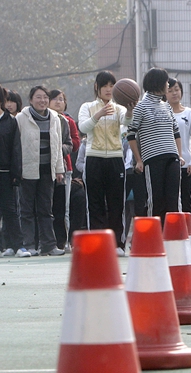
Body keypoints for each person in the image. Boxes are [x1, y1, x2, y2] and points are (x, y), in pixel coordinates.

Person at [78, 71, 133, 257]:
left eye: (112, 86)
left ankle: (118, 243)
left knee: (117, 202)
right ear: (97, 87)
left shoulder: (119, 108)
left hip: (116, 159)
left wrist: (130, 110)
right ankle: (98, 242)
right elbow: (82, 127)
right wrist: (99, 114)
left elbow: (127, 123)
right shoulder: (87, 107)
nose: (109, 89)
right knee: (95, 203)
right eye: (105, 86)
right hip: (94, 158)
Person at [127, 67, 184, 224]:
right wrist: (139, 160)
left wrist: (179, 155)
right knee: (156, 200)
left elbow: (176, 132)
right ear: (158, 83)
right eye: (166, 82)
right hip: (152, 159)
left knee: (173, 201)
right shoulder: (141, 107)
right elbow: (131, 134)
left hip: (172, 158)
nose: (168, 85)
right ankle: (155, 238)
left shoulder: (166, 107)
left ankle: (172, 240)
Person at [0, 83, 30, 258]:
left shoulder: (10, 121)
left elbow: (15, 149)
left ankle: (18, 246)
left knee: (10, 211)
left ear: (1, 99)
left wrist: (16, 174)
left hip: (4, 173)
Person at [16, 86, 65, 256]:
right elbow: (16, 146)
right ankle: (28, 245)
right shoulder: (21, 118)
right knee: (27, 210)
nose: (42, 100)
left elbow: (57, 146)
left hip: (47, 170)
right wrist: (17, 169)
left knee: (46, 209)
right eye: (38, 97)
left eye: (45, 97)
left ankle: (49, 245)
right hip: (27, 170)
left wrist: (60, 169)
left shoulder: (55, 118)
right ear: (30, 100)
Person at [49, 89, 80, 251]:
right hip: (46, 169)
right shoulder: (44, 119)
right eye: (54, 99)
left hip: (65, 169)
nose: (58, 102)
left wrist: (59, 148)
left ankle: (65, 241)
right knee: (49, 207)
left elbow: (75, 143)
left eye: (61, 99)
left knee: (64, 208)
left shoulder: (69, 121)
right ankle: (49, 240)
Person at [166, 77, 191, 213]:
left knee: (186, 199)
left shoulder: (190, 113)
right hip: (167, 163)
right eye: (170, 90)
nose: (174, 93)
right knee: (170, 199)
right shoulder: (163, 112)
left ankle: (187, 233)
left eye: (177, 89)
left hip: (185, 164)